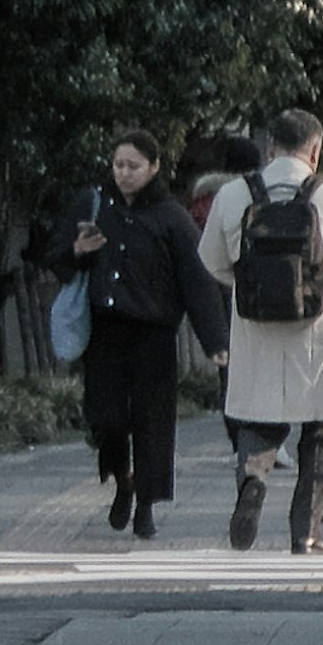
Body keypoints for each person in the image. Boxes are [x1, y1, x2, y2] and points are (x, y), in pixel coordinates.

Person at [202, 109, 323, 553]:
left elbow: (214, 264)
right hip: (320, 330)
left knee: (260, 421)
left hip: (256, 327)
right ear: (315, 149)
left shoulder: (233, 194)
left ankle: (253, 482)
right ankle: (308, 531)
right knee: (321, 428)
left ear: (269, 146)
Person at [66, 131, 211, 538]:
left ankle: (145, 503)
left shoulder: (171, 217)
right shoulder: (95, 206)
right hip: (106, 332)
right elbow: (55, 253)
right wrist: (76, 249)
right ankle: (122, 480)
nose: (124, 173)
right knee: (106, 418)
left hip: (153, 334)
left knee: (152, 423)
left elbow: (196, 281)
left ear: (154, 168)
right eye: (118, 165)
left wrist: (215, 342)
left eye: (133, 166)